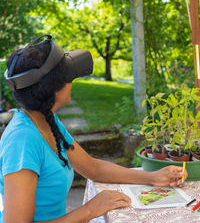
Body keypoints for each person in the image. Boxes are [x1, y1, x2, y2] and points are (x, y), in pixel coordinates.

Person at [0, 35, 187, 223]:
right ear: (53, 88)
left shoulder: (46, 121)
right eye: (69, 76)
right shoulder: (22, 141)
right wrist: (89, 210)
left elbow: (93, 168)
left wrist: (152, 178)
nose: (72, 82)